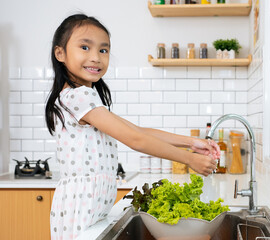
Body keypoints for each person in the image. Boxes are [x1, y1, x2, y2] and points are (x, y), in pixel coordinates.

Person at [45, 14, 220, 239]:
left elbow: (137, 131)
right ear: (60, 53)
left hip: (88, 209)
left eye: (103, 50)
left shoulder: (86, 99)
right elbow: (135, 140)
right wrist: (189, 159)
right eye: (85, 47)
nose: (96, 57)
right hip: (79, 211)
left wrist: (192, 143)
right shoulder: (78, 98)